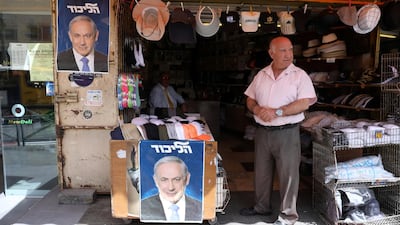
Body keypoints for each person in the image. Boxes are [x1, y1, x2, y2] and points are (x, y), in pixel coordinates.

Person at [239, 36, 317, 225]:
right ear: (271, 53)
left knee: (289, 174)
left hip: (287, 133)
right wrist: (257, 109)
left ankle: (288, 216)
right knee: (262, 172)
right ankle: (261, 207)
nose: (288, 54)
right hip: (263, 131)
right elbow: (249, 98)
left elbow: (304, 102)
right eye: (283, 50)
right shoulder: (261, 74)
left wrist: (278, 112)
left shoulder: (299, 75)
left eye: (290, 50)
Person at [140, 155, 202, 222]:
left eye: (177, 179)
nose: (171, 187)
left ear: (187, 179)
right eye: (164, 180)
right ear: (156, 181)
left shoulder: (201, 208)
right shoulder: (141, 208)